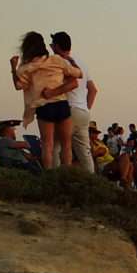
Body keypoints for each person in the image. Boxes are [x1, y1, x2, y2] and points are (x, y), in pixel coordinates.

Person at [9, 32, 83, 169]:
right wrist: (72, 62)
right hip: (61, 104)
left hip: (44, 107)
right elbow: (78, 74)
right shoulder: (56, 60)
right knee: (66, 144)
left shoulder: (26, 68)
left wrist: (13, 68)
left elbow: (18, 86)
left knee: (47, 145)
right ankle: (66, 175)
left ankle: (48, 177)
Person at [49, 32, 97, 173]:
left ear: (56, 46)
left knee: (55, 148)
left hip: (67, 109)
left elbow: (69, 84)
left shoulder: (58, 62)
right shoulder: (82, 63)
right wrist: (86, 108)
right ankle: (92, 183)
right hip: (82, 112)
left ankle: (56, 181)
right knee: (84, 153)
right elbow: (93, 90)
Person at [89, 123, 133, 188]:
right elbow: (92, 155)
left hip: (111, 161)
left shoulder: (99, 142)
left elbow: (109, 153)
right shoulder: (89, 143)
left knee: (130, 164)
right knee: (126, 159)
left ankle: (126, 185)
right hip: (104, 165)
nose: (96, 134)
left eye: (97, 133)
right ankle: (124, 182)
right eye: (94, 133)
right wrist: (100, 151)